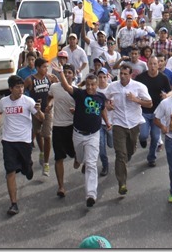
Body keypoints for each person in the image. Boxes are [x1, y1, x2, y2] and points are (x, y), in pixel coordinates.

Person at [54, 67, 111, 207]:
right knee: (79, 157)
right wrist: (61, 73)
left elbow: (103, 109)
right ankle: (78, 160)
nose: (91, 87)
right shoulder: (80, 94)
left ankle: (91, 194)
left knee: (91, 164)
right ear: (85, 84)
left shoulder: (100, 97)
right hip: (78, 134)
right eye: (88, 84)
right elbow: (67, 87)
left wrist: (107, 122)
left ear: (97, 85)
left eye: (93, 85)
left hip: (94, 135)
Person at [0, 75, 44, 215]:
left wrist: (39, 110)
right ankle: (13, 204)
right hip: (8, 141)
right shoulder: (4, 102)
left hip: (24, 141)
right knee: (10, 172)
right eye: (17, 87)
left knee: (26, 170)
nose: (21, 89)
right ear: (10, 88)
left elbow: (42, 118)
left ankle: (28, 166)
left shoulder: (28, 101)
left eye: (22, 86)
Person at [105, 64, 152, 195]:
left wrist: (135, 99)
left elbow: (149, 103)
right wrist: (108, 106)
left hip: (134, 123)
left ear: (131, 75)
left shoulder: (139, 87)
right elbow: (104, 99)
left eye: (126, 74)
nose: (123, 76)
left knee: (130, 151)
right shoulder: (113, 87)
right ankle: (122, 183)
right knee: (120, 154)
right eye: (121, 74)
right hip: (119, 123)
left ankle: (129, 154)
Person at [24, 58, 59, 177]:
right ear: (37, 68)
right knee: (38, 133)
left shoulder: (51, 78)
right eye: (44, 67)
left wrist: (50, 104)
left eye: (47, 67)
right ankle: (42, 151)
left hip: (48, 110)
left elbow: (56, 92)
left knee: (47, 136)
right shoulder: (30, 80)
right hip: (35, 111)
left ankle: (46, 163)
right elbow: (21, 92)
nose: (46, 69)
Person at [47, 63, 77, 197]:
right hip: (58, 126)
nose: (67, 74)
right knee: (59, 158)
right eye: (65, 72)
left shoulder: (77, 90)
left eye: (70, 72)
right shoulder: (54, 87)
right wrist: (49, 105)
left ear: (74, 75)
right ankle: (61, 186)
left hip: (72, 127)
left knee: (76, 153)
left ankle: (78, 158)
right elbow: (50, 97)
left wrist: (76, 111)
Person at [136, 56, 171, 167]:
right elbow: (133, 88)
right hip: (144, 112)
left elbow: (170, 91)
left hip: (158, 113)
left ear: (158, 65)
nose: (152, 66)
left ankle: (151, 158)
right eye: (150, 64)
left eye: (155, 64)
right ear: (147, 64)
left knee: (156, 137)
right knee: (143, 135)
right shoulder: (140, 77)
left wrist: (166, 95)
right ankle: (142, 139)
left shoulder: (163, 78)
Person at [97, 67, 114, 176]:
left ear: (108, 77)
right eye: (100, 77)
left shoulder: (112, 89)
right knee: (101, 147)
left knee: (111, 145)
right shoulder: (95, 90)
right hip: (99, 123)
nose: (102, 79)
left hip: (112, 123)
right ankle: (105, 165)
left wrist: (112, 106)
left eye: (104, 77)